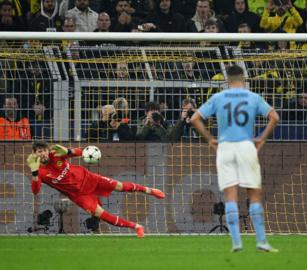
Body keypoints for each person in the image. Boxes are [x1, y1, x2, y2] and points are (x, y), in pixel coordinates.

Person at [191, 64, 280, 252]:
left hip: (225, 148)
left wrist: (210, 139)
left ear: (227, 80)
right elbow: (274, 117)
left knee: (230, 195)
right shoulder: (253, 97)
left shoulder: (218, 97)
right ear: (244, 79)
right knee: (254, 195)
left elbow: (194, 119)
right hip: (246, 145)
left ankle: (236, 242)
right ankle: (261, 241)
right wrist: (262, 139)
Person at [26, 142, 165, 237]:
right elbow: (35, 191)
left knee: (120, 186)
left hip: (89, 178)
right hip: (79, 195)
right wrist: (34, 172)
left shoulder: (56, 154)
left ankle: (149, 190)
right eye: (39, 151)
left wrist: (68, 151)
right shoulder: (38, 170)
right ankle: (136, 227)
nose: (43, 154)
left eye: (44, 150)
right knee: (100, 213)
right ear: (34, 153)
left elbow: (84, 152)